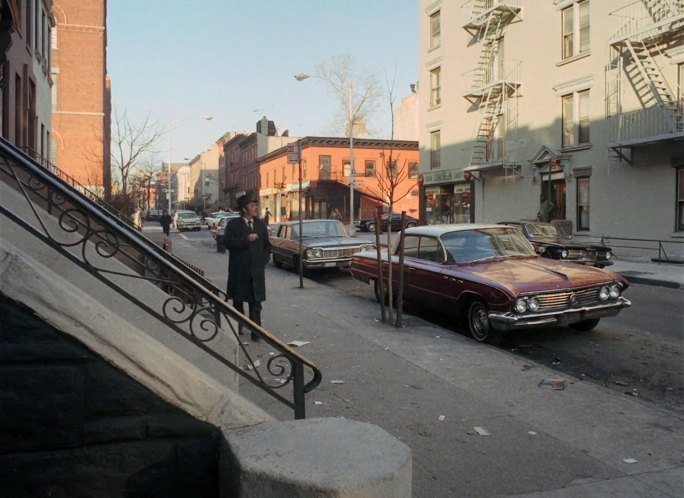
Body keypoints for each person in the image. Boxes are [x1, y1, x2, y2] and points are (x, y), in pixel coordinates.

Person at [224, 195, 271, 342]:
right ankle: (238, 328)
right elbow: (229, 244)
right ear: (244, 209)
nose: (255, 208)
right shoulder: (233, 225)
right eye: (252, 206)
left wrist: (262, 262)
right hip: (239, 271)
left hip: (256, 272)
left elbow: (267, 246)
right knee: (238, 301)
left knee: (255, 303)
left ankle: (256, 333)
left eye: (255, 205)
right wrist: (246, 239)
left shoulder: (261, 224)